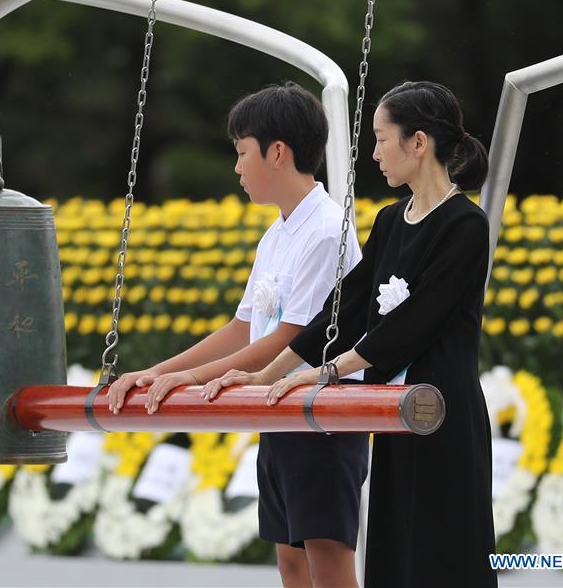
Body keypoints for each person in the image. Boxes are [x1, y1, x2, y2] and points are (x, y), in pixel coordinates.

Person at [209, 80, 498, 587]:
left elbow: (412, 326)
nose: (375, 153)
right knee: (393, 548)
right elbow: (341, 310)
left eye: (383, 139)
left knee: (445, 550)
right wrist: (272, 372)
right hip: (393, 412)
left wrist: (325, 371)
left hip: (441, 410)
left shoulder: (466, 225)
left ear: (418, 143)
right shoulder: (389, 221)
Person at [107, 82, 368, 587]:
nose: (237, 167)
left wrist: (197, 377)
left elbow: (293, 338)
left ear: (277, 152)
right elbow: (244, 327)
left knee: (329, 565)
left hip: (322, 417)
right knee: (292, 563)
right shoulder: (277, 233)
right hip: (277, 412)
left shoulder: (325, 231)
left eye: (241, 152)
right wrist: (159, 372)